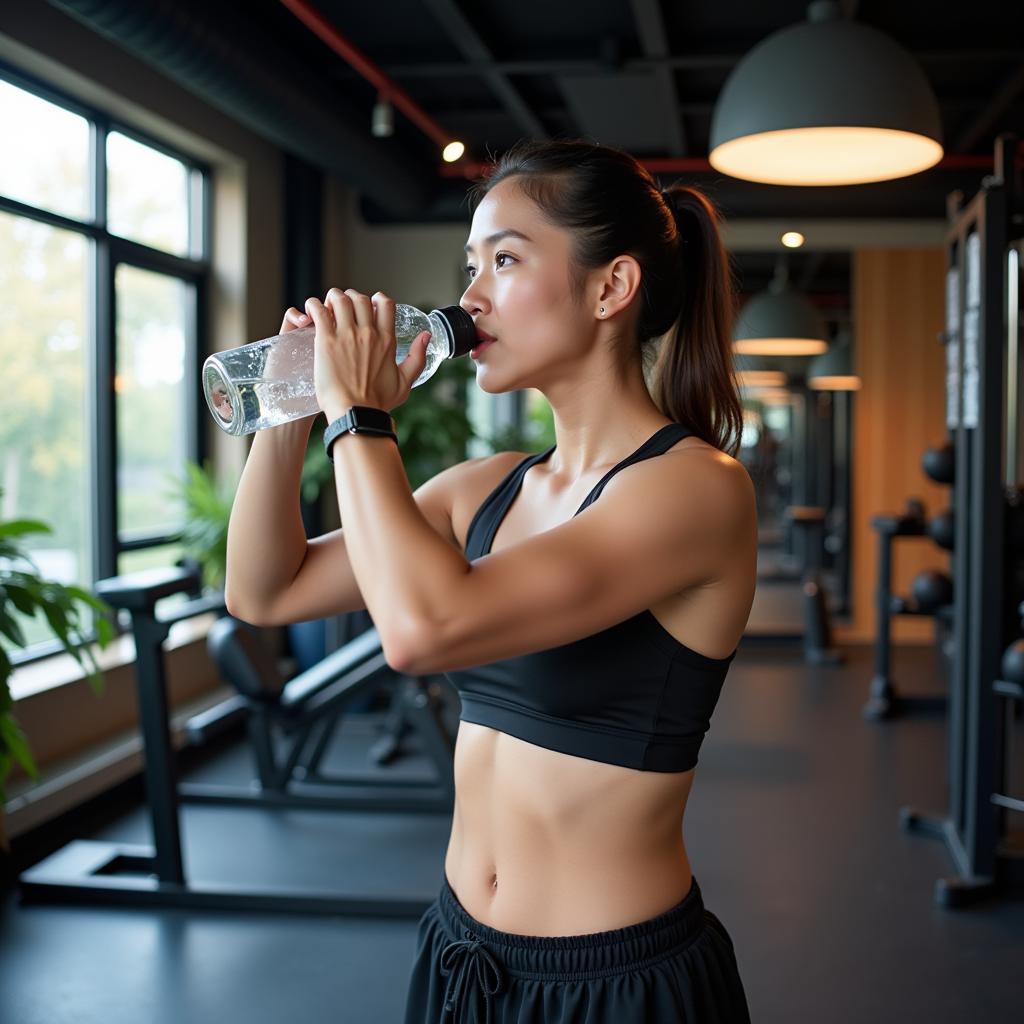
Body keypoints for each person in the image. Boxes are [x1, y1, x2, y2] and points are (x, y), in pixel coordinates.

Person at [224, 138, 757, 1023]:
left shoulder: (695, 489)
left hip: (616, 985)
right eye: (470, 266)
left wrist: (358, 415)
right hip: (460, 955)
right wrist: (291, 407)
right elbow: (264, 591)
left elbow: (422, 631)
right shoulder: (485, 487)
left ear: (610, 288)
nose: (469, 298)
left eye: (504, 260)